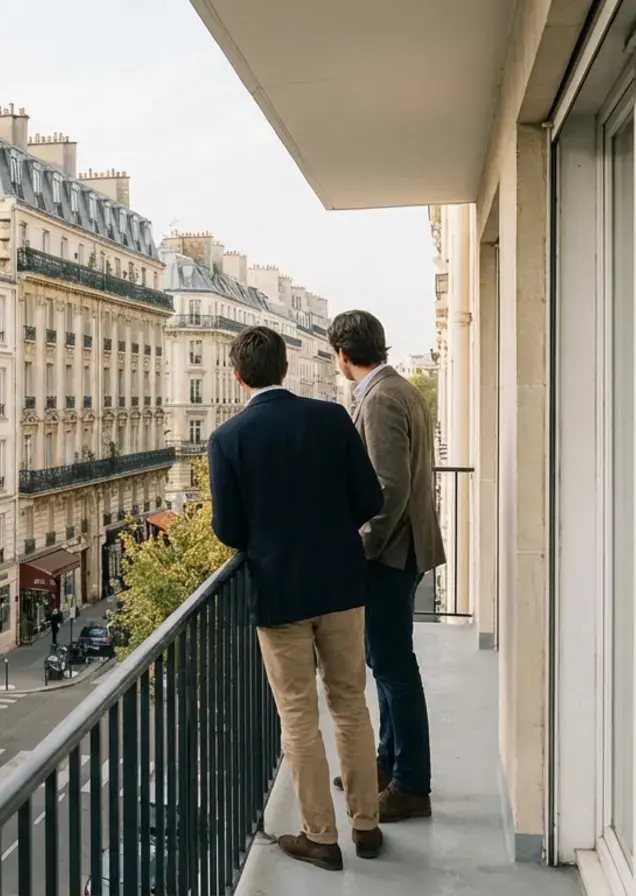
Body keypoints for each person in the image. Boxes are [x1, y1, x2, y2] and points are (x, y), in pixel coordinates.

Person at [207, 326, 386, 871]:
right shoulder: (331, 418)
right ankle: (367, 825)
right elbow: (370, 497)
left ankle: (321, 837)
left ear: (237, 377)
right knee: (350, 703)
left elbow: (228, 529)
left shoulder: (228, 439)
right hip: (341, 583)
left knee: (298, 717)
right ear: (286, 368)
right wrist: (329, 530)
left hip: (279, 591)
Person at [328, 310, 445, 823]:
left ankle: (411, 784)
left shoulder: (378, 398)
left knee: (394, 668)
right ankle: (388, 765)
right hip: (407, 547)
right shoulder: (400, 388)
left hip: (392, 554)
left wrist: (364, 547)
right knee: (387, 662)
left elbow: (388, 487)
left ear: (342, 355)